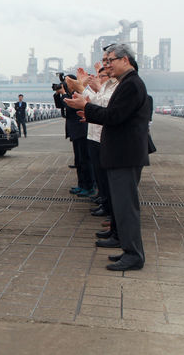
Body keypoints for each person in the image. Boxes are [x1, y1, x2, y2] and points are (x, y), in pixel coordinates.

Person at [66, 43, 150, 271]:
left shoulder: (131, 85)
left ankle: (134, 255)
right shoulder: (126, 83)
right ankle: (128, 248)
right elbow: (113, 115)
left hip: (125, 155)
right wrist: (89, 110)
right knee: (121, 207)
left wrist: (86, 106)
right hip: (121, 154)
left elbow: (114, 116)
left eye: (110, 60)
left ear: (125, 60)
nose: (107, 65)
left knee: (126, 207)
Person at [59, 75, 94, 197]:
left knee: (85, 160)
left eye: (68, 81)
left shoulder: (78, 93)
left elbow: (70, 106)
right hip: (75, 132)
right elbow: (60, 105)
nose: (65, 84)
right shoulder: (69, 94)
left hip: (81, 131)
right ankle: (82, 184)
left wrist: (64, 94)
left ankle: (89, 186)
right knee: (79, 161)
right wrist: (59, 94)